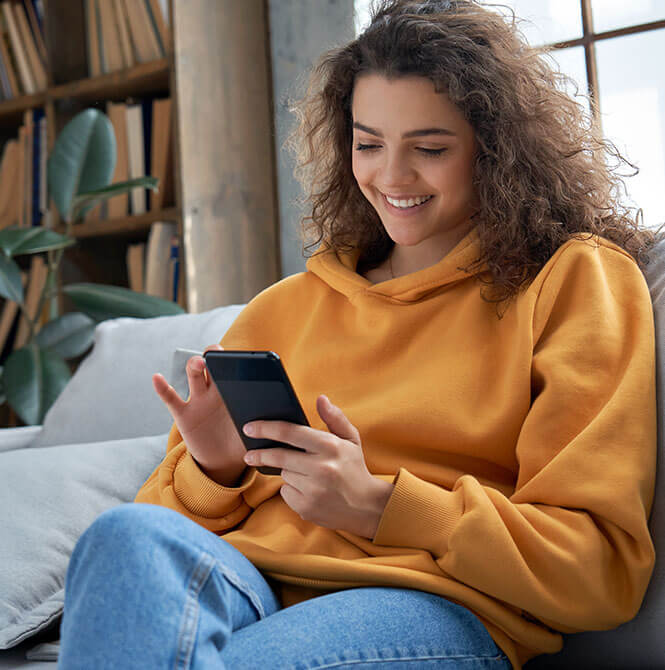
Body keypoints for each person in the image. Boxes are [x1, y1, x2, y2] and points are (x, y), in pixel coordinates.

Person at [57, 1, 660, 668]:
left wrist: (380, 505)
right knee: (125, 536)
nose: (391, 177)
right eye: (368, 144)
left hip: (429, 600)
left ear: (495, 150)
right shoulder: (284, 307)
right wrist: (215, 468)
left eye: (429, 148)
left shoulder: (572, 280)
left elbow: (597, 570)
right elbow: (168, 539)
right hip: (249, 583)